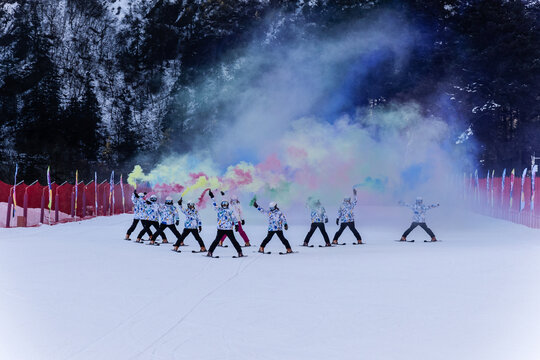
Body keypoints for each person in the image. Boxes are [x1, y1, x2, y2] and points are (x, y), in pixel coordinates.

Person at [206, 190, 244, 258]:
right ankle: (210, 252)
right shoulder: (219, 210)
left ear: (227, 205)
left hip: (229, 229)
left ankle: (240, 252)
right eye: (223, 204)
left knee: (233, 241)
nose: (224, 205)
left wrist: (236, 225)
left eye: (225, 204)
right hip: (220, 228)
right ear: (221, 205)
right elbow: (214, 204)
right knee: (216, 241)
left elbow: (234, 218)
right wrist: (212, 197)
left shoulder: (230, 211)